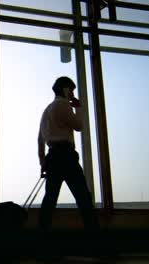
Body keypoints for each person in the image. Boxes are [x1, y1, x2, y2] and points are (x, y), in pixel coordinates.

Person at [38, 76, 99, 232]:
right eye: (71, 90)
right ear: (65, 89)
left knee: (49, 201)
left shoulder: (46, 111)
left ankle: (41, 244)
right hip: (66, 155)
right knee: (83, 198)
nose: (72, 94)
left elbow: (40, 140)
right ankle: (97, 242)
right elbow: (79, 126)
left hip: (52, 157)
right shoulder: (63, 105)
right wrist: (78, 107)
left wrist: (43, 161)